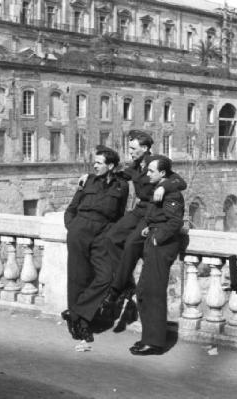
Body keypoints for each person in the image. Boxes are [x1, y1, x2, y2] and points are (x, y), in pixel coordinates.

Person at [99, 130, 186, 315]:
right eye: (129, 147)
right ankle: (127, 284)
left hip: (152, 211)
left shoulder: (155, 162)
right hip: (139, 209)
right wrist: (91, 177)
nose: (129, 151)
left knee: (131, 244)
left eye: (133, 148)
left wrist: (164, 185)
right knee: (111, 238)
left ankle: (115, 290)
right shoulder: (135, 164)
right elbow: (121, 174)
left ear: (145, 148)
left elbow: (180, 181)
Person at [61, 145, 129, 342]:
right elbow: (72, 208)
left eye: (99, 163)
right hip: (80, 230)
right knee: (78, 278)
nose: (94, 166)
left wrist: (112, 235)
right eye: (94, 162)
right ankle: (80, 324)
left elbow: (120, 214)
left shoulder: (121, 186)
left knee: (106, 276)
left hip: (103, 233)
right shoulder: (87, 181)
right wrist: (72, 227)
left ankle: (74, 313)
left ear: (110, 165)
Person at [129, 155, 184, 355]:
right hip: (153, 243)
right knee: (144, 291)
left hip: (162, 247)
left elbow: (174, 222)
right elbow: (156, 217)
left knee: (153, 293)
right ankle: (149, 337)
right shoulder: (158, 189)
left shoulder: (172, 194)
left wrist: (157, 237)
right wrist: (149, 229)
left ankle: (155, 342)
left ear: (162, 173)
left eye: (151, 171)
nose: (147, 173)